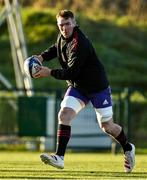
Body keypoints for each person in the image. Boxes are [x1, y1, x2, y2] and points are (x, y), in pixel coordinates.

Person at [33, 9, 135, 173]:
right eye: (61, 25)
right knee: (64, 114)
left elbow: (72, 72)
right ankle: (59, 157)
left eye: (67, 24)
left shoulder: (80, 43)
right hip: (78, 87)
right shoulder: (63, 37)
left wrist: (49, 72)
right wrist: (41, 57)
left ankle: (128, 148)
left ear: (74, 22)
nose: (64, 28)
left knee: (107, 126)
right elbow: (57, 47)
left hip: (97, 87)